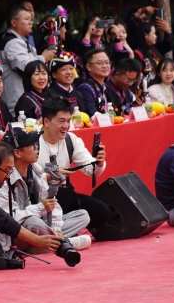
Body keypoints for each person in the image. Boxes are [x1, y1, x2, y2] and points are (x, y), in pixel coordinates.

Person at [0, 128, 91, 254]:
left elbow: (52, 203)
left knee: (83, 215)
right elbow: (8, 218)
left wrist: (56, 228)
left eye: (36, 144)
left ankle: (48, 243)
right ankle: (65, 243)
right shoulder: (4, 177)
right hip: (18, 231)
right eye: (32, 146)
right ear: (17, 153)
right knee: (33, 222)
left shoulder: (35, 169)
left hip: (41, 225)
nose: (37, 148)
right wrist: (40, 208)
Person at [36, 98, 115, 237]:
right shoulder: (33, 143)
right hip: (41, 198)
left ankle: (63, 231)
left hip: (65, 194)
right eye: (61, 121)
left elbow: (90, 170)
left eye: (68, 121)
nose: (66, 126)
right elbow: (28, 175)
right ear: (46, 122)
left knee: (103, 212)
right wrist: (51, 173)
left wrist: (98, 162)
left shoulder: (71, 139)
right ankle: (62, 233)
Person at [0, 3, 53, 108]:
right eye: (27, 19)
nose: (31, 22)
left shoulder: (23, 41)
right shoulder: (12, 42)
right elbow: (26, 67)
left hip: (25, 98)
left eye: (31, 19)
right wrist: (44, 58)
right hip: (16, 99)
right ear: (14, 23)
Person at [74, 49, 112, 116]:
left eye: (107, 62)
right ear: (88, 67)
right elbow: (92, 114)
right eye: (99, 63)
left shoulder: (106, 86)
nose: (104, 66)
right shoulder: (85, 88)